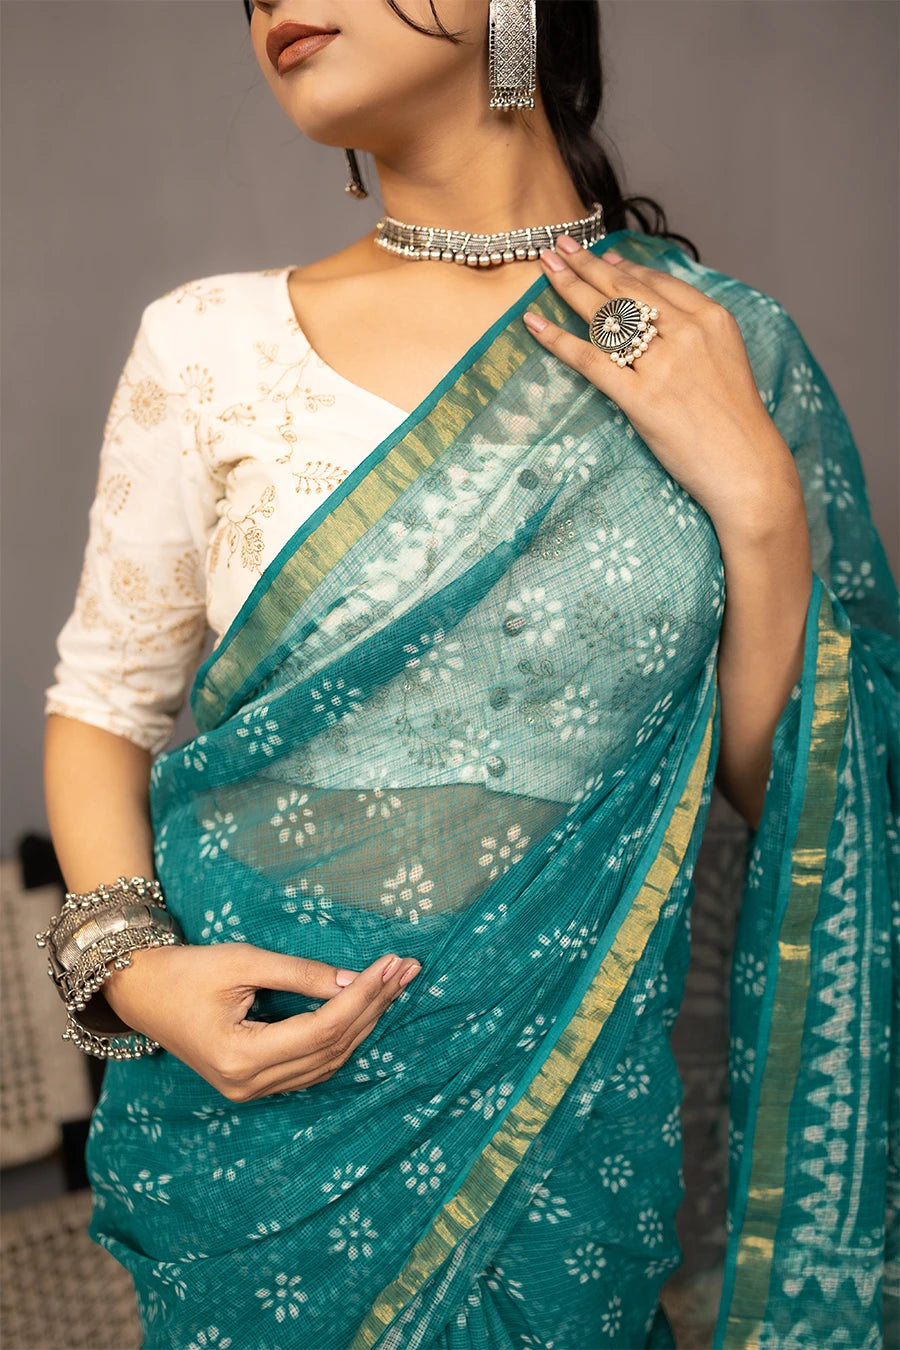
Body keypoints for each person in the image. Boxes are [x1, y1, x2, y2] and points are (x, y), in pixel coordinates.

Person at [39, 2, 898, 1348]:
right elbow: (102, 706)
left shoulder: (714, 346)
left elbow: (782, 783)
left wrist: (758, 499)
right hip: (262, 1124)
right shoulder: (209, 346)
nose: (273, 3)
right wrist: (134, 975)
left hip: (566, 1112)